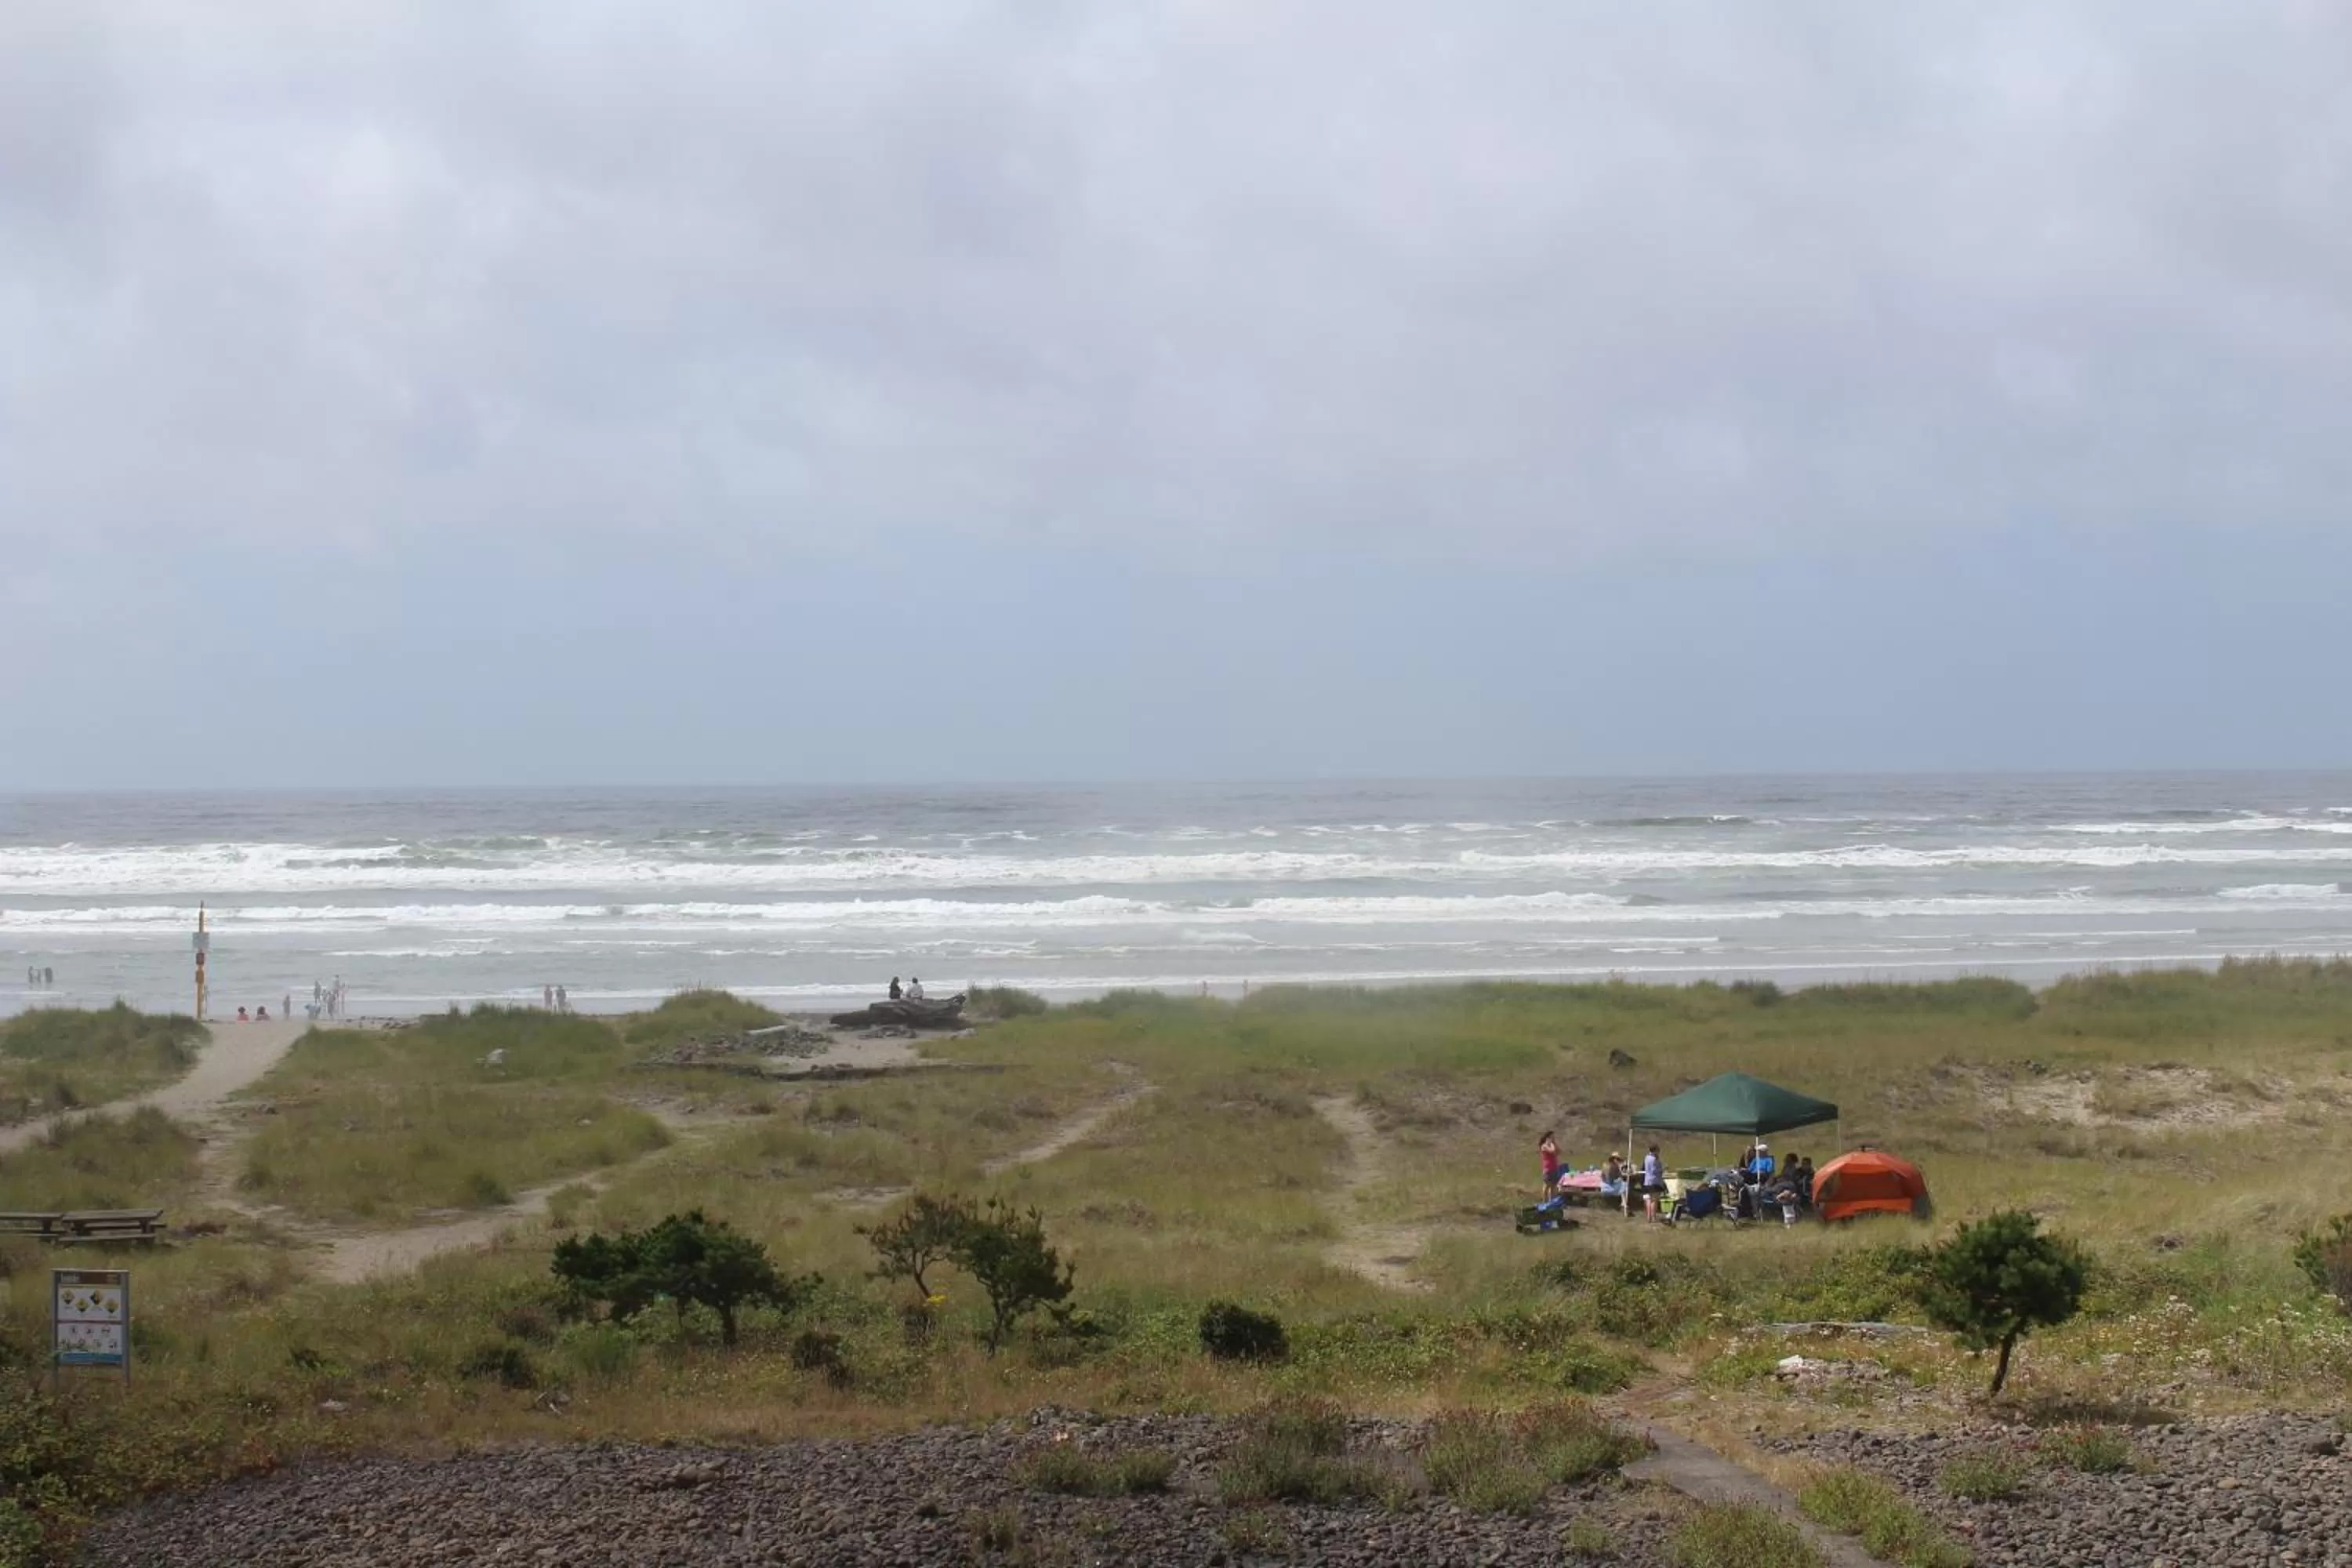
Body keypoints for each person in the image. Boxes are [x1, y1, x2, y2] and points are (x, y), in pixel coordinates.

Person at [1641, 1142, 1665, 1221]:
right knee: (1654, 1200)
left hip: (1647, 1181)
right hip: (1654, 1181)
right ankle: (1653, 1217)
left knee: (1649, 1199)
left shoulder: (1647, 1158)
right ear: (1655, 1150)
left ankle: (1648, 1217)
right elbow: (1654, 1170)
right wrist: (1663, 1169)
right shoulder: (1654, 1159)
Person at [1537, 1131, 1560, 1195]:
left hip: (1554, 1168)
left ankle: (1551, 1201)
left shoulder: (1553, 1145)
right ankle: (1545, 1201)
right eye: (1551, 1137)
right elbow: (1552, 1151)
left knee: (1553, 1186)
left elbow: (1559, 1152)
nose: (1553, 1139)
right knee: (1547, 1185)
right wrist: (1552, 1144)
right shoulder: (1544, 1146)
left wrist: (1555, 1143)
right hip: (1548, 1169)